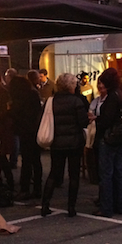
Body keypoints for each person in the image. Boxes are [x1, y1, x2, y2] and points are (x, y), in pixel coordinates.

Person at [41, 73, 89, 218]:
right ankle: (71, 207)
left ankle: (45, 204)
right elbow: (83, 122)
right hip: (74, 142)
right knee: (74, 175)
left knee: (54, 173)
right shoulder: (76, 101)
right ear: (71, 86)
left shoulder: (52, 101)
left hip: (57, 142)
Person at [91, 68, 122, 217]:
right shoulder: (120, 94)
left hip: (108, 137)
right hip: (119, 136)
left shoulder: (111, 97)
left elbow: (106, 120)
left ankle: (106, 207)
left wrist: (95, 119)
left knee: (106, 173)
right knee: (118, 171)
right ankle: (119, 204)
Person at [8, 76, 43, 201]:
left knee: (27, 161)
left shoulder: (19, 99)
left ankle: (25, 189)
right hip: (34, 131)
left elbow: (17, 114)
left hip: (25, 131)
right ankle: (37, 188)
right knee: (35, 161)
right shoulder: (33, 94)